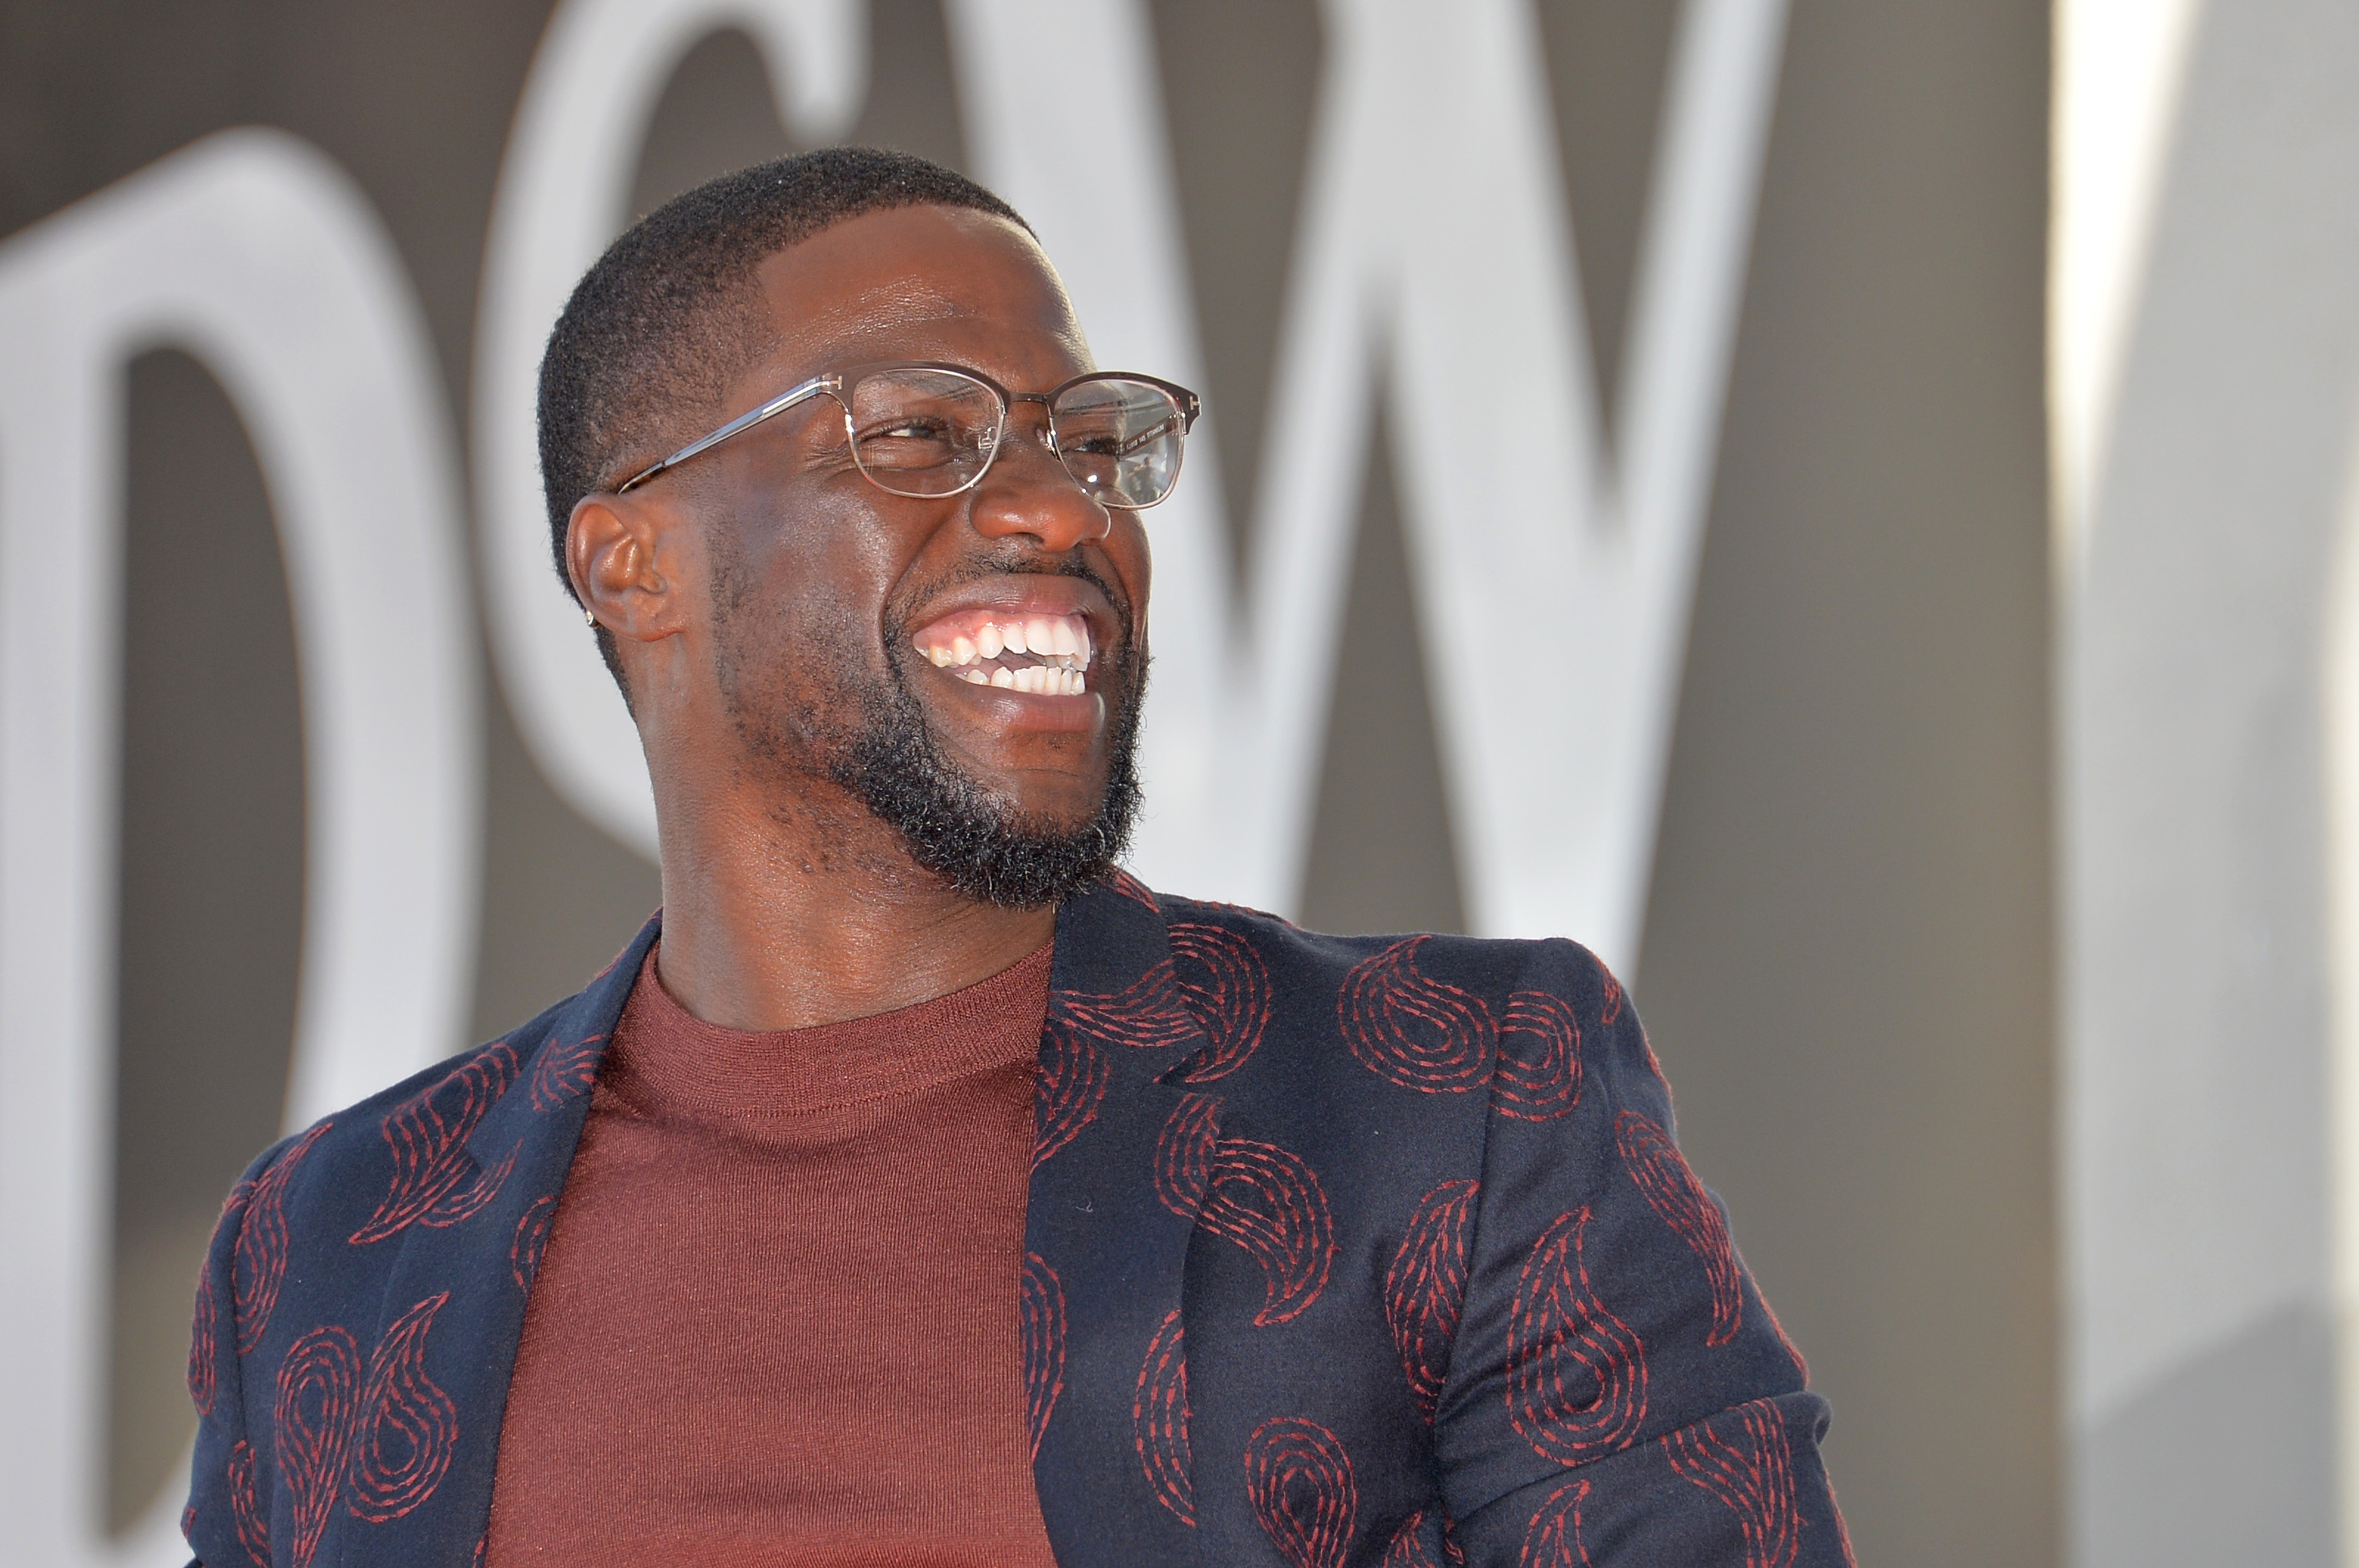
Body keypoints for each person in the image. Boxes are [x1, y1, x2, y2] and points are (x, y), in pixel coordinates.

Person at [180, 147, 1848, 1568]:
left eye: (1092, 443)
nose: (1063, 508)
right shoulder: (321, 1248)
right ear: (635, 561)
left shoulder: (1457, 1108)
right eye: (921, 433)